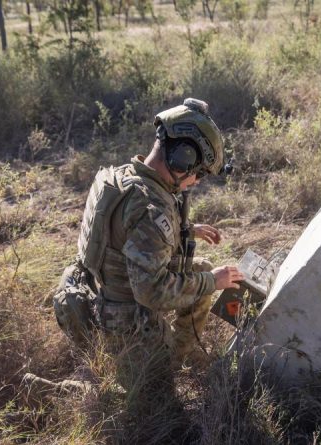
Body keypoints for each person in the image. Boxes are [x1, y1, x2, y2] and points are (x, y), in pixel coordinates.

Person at [48, 99, 244, 430]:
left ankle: (182, 353)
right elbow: (153, 293)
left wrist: (186, 230)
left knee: (203, 266)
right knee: (159, 417)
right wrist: (213, 281)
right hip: (126, 326)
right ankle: (71, 387)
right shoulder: (151, 208)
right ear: (182, 158)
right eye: (196, 173)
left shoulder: (123, 176)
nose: (196, 182)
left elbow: (121, 233)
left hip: (97, 295)